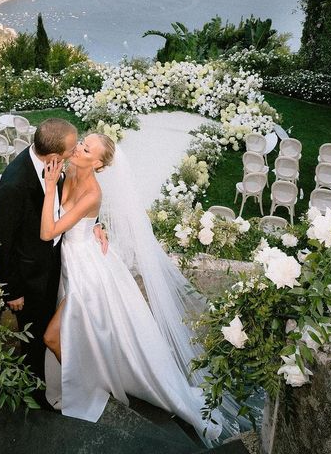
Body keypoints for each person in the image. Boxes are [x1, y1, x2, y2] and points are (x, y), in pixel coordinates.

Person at [40, 133, 226, 444]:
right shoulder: (71, 169)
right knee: (76, 336)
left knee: (52, 336)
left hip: (88, 277)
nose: (79, 148)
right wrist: (96, 225)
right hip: (72, 265)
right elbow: (81, 221)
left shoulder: (93, 193)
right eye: (82, 142)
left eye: (86, 149)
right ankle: (91, 379)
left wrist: (49, 191)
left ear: (98, 163)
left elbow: (49, 231)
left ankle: (89, 386)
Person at [0, 118, 107, 407]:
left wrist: (95, 224)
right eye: (73, 148)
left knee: (54, 329)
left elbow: (80, 204)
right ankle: (39, 395)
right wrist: (11, 291)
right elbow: (2, 243)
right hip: (28, 278)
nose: (75, 151)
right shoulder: (14, 184)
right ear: (56, 156)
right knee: (34, 339)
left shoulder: (60, 167)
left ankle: (58, 384)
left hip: (61, 264)